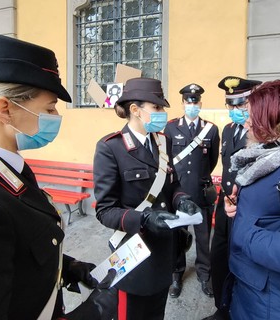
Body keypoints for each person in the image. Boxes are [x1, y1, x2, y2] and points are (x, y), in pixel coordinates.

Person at [0, 29, 117, 320]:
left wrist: (67, 267)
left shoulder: (9, 167)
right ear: (5, 109)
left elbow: (17, 252)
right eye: (49, 107)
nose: (55, 117)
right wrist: (95, 313)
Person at [93, 77, 201, 320]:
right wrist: (143, 218)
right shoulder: (111, 148)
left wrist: (182, 199)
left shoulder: (163, 141)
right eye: (157, 107)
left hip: (165, 251)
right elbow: (105, 210)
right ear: (135, 110)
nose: (163, 113)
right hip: (134, 255)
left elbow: (173, 185)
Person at [226, 80, 280, 319]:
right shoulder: (270, 156)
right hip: (253, 291)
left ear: (273, 121)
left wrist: (248, 234)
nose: (246, 122)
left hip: (274, 303)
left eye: (252, 116)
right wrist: (243, 210)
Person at [202, 76, 262, 320]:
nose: (236, 111)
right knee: (219, 255)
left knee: (241, 260)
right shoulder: (227, 130)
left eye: (241, 105)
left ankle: (238, 309)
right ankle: (221, 307)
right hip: (224, 203)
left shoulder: (260, 131)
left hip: (245, 207)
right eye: (232, 106)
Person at [164, 83, 220, 298]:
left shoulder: (211, 129)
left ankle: (204, 275)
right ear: (183, 103)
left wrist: (199, 177)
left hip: (201, 192)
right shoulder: (171, 128)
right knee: (178, 236)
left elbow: (212, 160)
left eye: (195, 102)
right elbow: (167, 157)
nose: (192, 105)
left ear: (200, 104)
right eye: (188, 102)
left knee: (203, 237)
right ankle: (176, 274)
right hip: (178, 194)